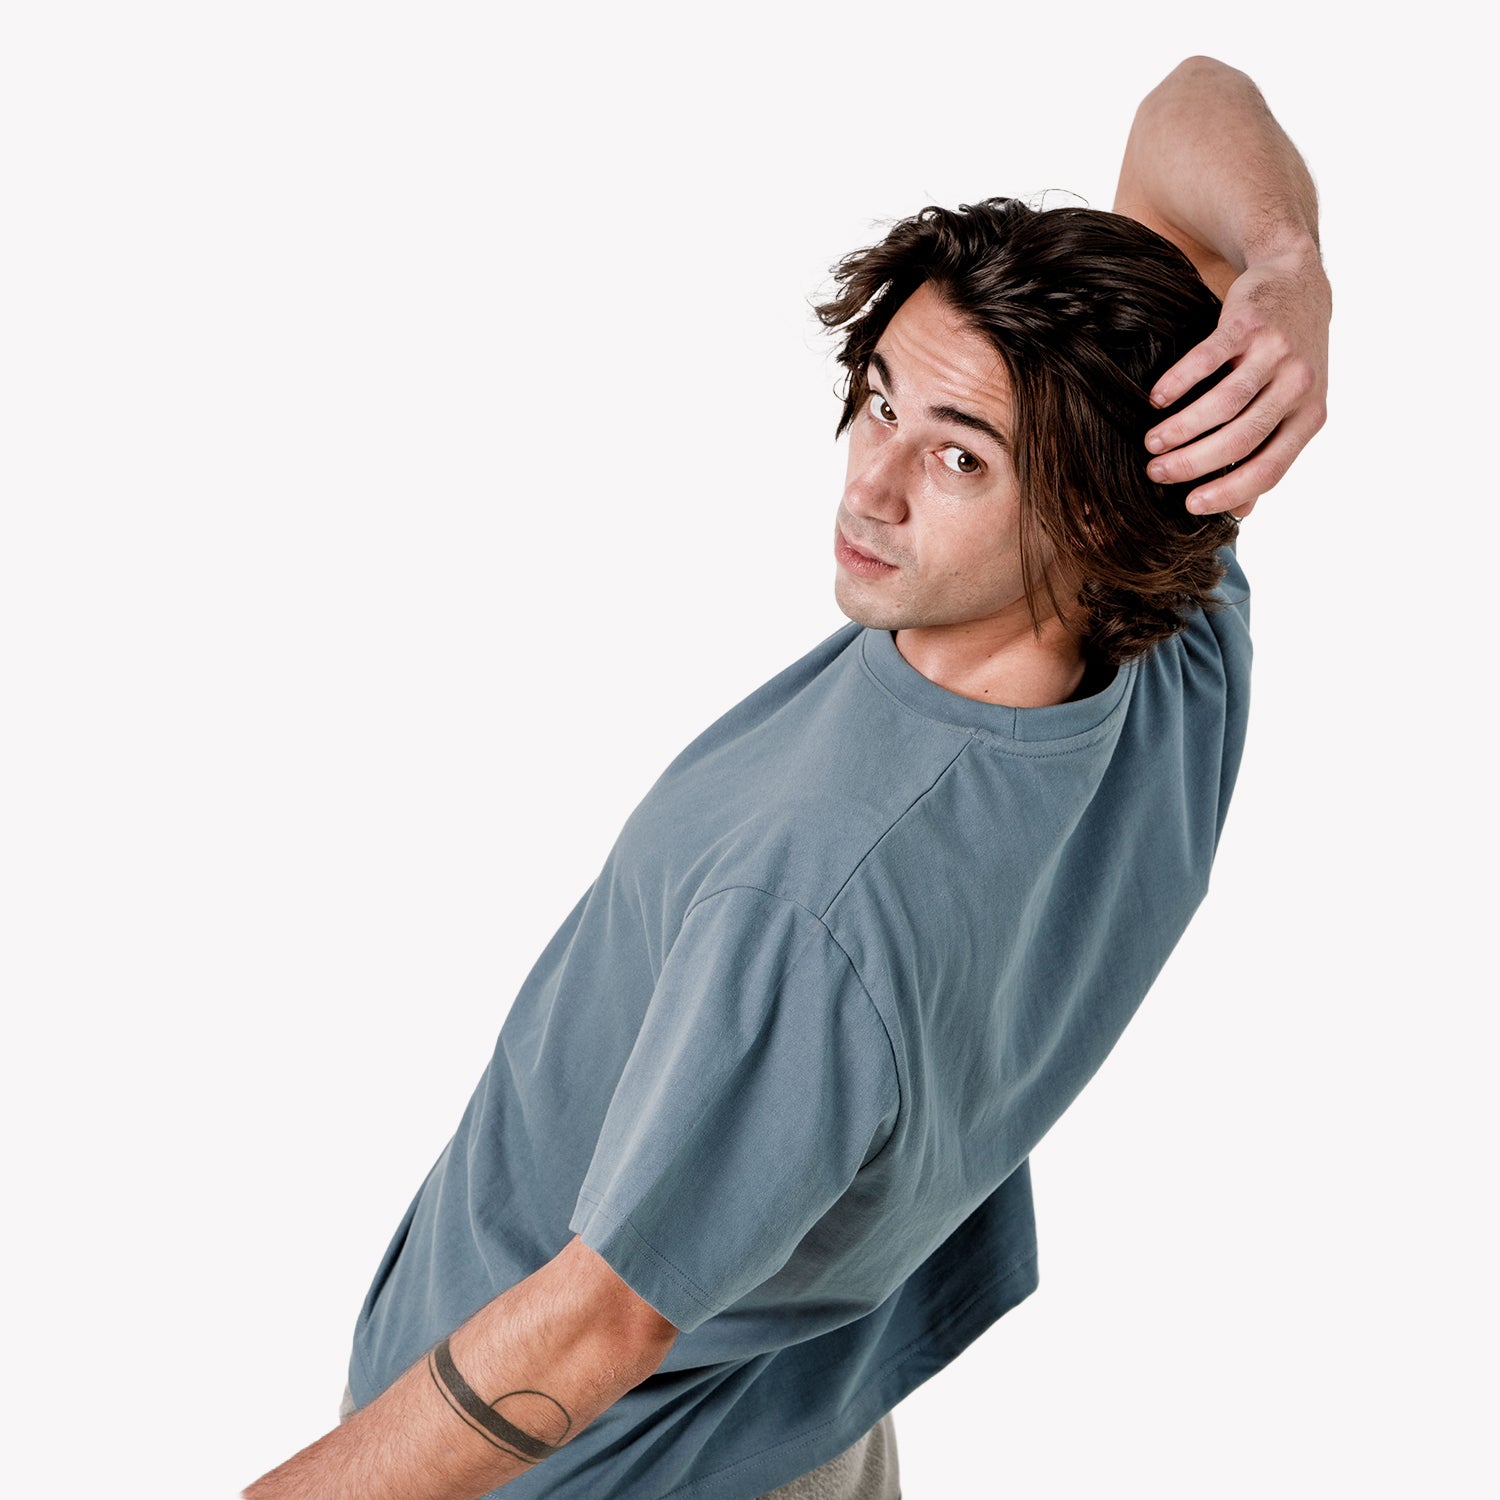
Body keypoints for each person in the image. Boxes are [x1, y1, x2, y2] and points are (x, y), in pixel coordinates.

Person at [244, 55, 1330, 1500]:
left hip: (573, 1462)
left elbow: (592, 1329)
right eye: (882, 403)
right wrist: (1288, 268)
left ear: (1088, 508)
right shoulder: (1173, 652)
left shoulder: (816, 901)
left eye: (958, 460)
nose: (869, 485)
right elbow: (1187, 103)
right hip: (792, 1402)